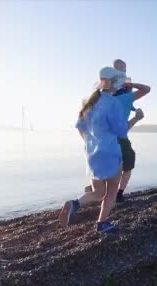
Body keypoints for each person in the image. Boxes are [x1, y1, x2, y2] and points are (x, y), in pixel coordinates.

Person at [59, 67, 128, 233]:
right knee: (111, 192)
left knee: (98, 192)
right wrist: (135, 119)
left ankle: (75, 204)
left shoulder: (88, 102)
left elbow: (79, 128)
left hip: (92, 155)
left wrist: (90, 142)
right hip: (111, 153)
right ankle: (102, 223)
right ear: (114, 83)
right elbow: (121, 131)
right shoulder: (113, 103)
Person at [111, 58, 151, 202]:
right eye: (120, 68)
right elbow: (147, 89)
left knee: (114, 169)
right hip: (118, 139)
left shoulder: (106, 96)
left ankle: (109, 193)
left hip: (105, 138)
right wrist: (131, 85)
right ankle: (116, 194)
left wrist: (136, 117)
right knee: (125, 167)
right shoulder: (125, 97)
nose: (123, 71)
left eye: (124, 69)